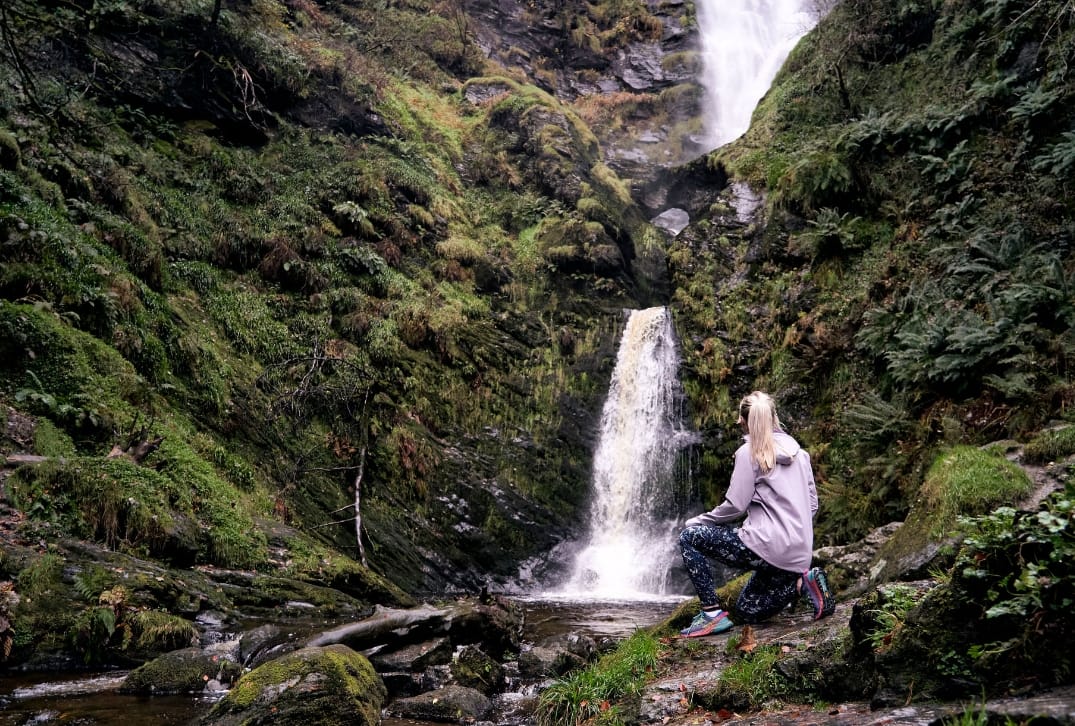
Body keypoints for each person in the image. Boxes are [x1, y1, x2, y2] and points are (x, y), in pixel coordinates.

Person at [678, 391, 835, 637]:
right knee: (747, 609)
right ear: (774, 417)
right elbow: (812, 505)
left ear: (743, 421)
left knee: (690, 537)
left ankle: (711, 614)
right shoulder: (801, 455)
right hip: (798, 554)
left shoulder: (748, 453)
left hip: (766, 544)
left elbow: (735, 506)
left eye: (740, 420)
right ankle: (803, 583)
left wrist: (698, 521)